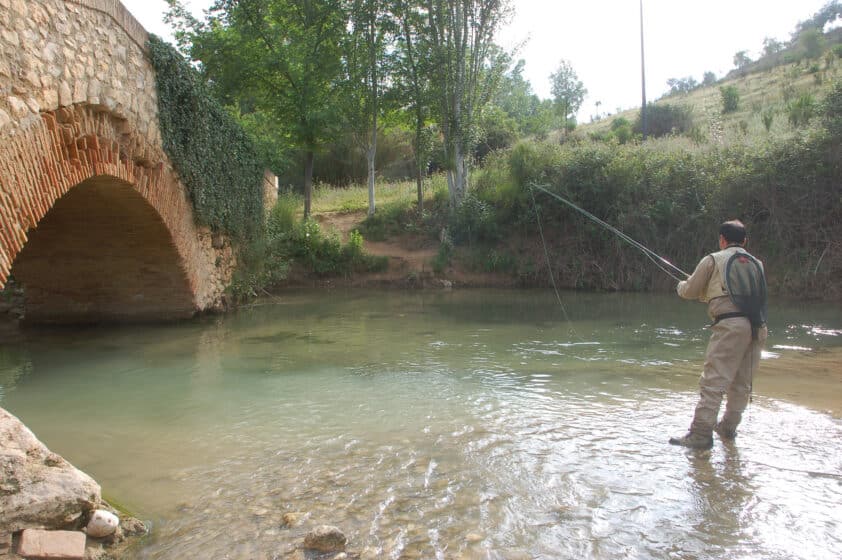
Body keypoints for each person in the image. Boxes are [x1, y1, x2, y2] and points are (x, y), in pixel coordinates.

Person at [669, 220, 768, 450]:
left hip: (730, 327)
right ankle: (728, 428)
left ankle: (701, 434)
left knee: (713, 381)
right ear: (744, 241)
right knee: (742, 383)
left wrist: (680, 285)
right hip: (758, 327)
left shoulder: (712, 259)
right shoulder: (758, 264)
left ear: (722, 240)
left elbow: (690, 291)